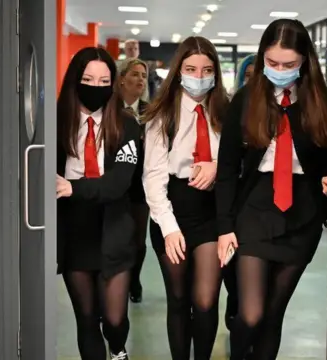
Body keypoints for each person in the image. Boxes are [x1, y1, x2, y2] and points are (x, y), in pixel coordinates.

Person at [215, 19, 327, 359]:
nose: (279, 70)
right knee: (250, 314)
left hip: (303, 214)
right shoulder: (246, 99)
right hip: (255, 208)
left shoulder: (322, 101)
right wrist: (225, 228)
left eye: (289, 65)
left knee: (272, 316)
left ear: (305, 63)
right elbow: (226, 170)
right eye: (272, 63)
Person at [142, 36, 230, 360]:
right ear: (178, 70)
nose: (199, 76)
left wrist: (218, 166)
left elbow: (239, 161)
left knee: (205, 300)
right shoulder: (162, 114)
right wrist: (168, 227)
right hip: (171, 211)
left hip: (211, 212)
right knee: (179, 299)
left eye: (207, 69)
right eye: (191, 69)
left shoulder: (226, 110)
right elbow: (152, 178)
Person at [56, 46, 141, 360]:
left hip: (114, 228)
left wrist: (70, 187)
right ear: (75, 80)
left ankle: (118, 351)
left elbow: (118, 183)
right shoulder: (56, 123)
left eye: (104, 80)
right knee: (87, 319)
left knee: (115, 320)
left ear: (113, 84)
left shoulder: (127, 126)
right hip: (74, 232)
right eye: (88, 79)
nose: (95, 87)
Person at [223, 53, 256, 330]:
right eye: (247, 76)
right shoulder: (234, 107)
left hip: (253, 206)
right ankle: (233, 312)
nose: (252, 82)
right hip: (228, 203)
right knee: (232, 274)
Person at [117, 58, 150, 303]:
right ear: (122, 79)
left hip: (141, 186)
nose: (140, 79)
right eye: (135, 74)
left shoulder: (151, 111)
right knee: (118, 238)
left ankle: (134, 280)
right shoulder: (110, 110)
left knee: (139, 240)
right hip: (115, 184)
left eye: (143, 76)